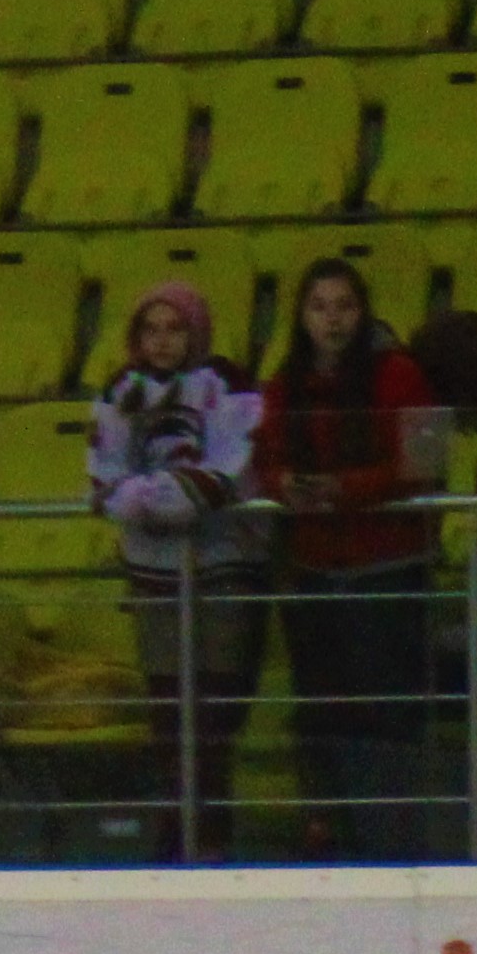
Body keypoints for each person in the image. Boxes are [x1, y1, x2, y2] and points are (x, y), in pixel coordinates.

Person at [252, 259, 443, 859]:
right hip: (312, 569)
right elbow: (262, 459)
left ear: (362, 313)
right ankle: (329, 824)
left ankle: (388, 832)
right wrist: (287, 483)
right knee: (322, 711)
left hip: (384, 568)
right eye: (319, 307)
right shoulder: (284, 385)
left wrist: (346, 490)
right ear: (301, 318)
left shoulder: (401, 375)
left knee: (385, 712)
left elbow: (425, 465)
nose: (332, 319)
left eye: (343, 306)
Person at [87, 281, 268, 862]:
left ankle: (213, 838)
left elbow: (224, 472)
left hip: (221, 568)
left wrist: (155, 496)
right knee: (169, 713)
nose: (163, 342)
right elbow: (104, 477)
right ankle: (174, 838)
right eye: (151, 329)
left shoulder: (228, 384)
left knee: (215, 713)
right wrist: (151, 497)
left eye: (175, 328)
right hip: (153, 575)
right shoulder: (120, 389)